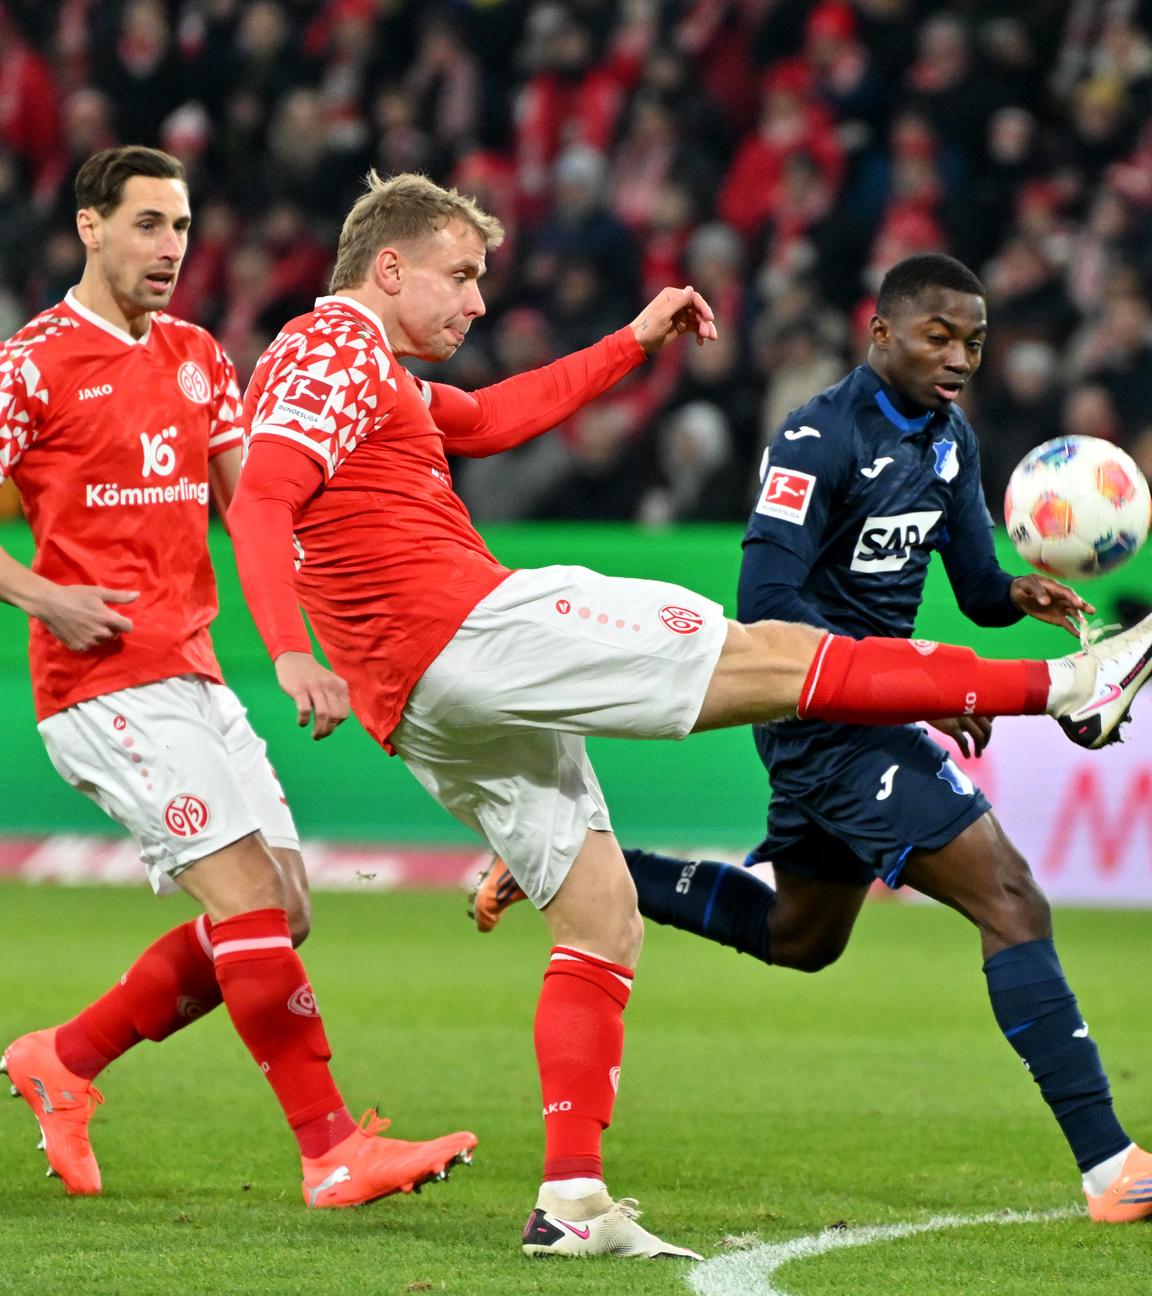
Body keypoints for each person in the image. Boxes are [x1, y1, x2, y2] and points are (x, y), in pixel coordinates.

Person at [226, 177, 1152, 1257]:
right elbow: (261, 497)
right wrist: (287, 651)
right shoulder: (331, 344)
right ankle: (1069, 687)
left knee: (603, 918)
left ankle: (572, 1205)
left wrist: (632, 342)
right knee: (775, 656)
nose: (477, 300)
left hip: (419, 696)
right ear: (389, 268)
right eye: (462, 275)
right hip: (462, 627)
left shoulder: (374, 376)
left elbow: (494, 418)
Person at [471, 253, 1152, 1226]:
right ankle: (1112, 1167)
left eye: (974, 342)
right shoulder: (816, 438)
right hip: (820, 722)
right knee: (1011, 899)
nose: (959, 358)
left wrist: (1015, 593)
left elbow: (971, 588)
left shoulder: (952, 440)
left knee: (802, 937)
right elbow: (767, 603)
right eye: (938, 337)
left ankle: (584, 866)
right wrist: (908, 682)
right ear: (881, 334)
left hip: (870, 715)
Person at [0, 147, 475, 1209]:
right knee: (251, 900)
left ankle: (64, 1058)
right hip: (101, 686)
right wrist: (46, 598)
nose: (171, 247)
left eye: (180, 226)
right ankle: (330, 1150)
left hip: (197, 674)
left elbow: (255, 503)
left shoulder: (200, 357)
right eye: (147, 224)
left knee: (285, 911)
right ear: (88, 227)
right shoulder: (29, 365)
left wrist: (324, 626)